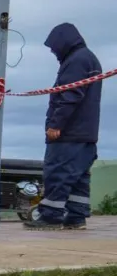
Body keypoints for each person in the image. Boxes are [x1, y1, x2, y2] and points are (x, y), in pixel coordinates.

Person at [25, 22, 102, 230]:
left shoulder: (76, 61)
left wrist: (56, 124)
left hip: (69, 133)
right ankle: (76, 217)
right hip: (86, 134)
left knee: (58, 173)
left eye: (53, 47)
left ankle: (51, 216)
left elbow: (70, 95)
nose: (53, 51)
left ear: (63, 42)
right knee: (78, 177)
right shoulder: (89, 58)